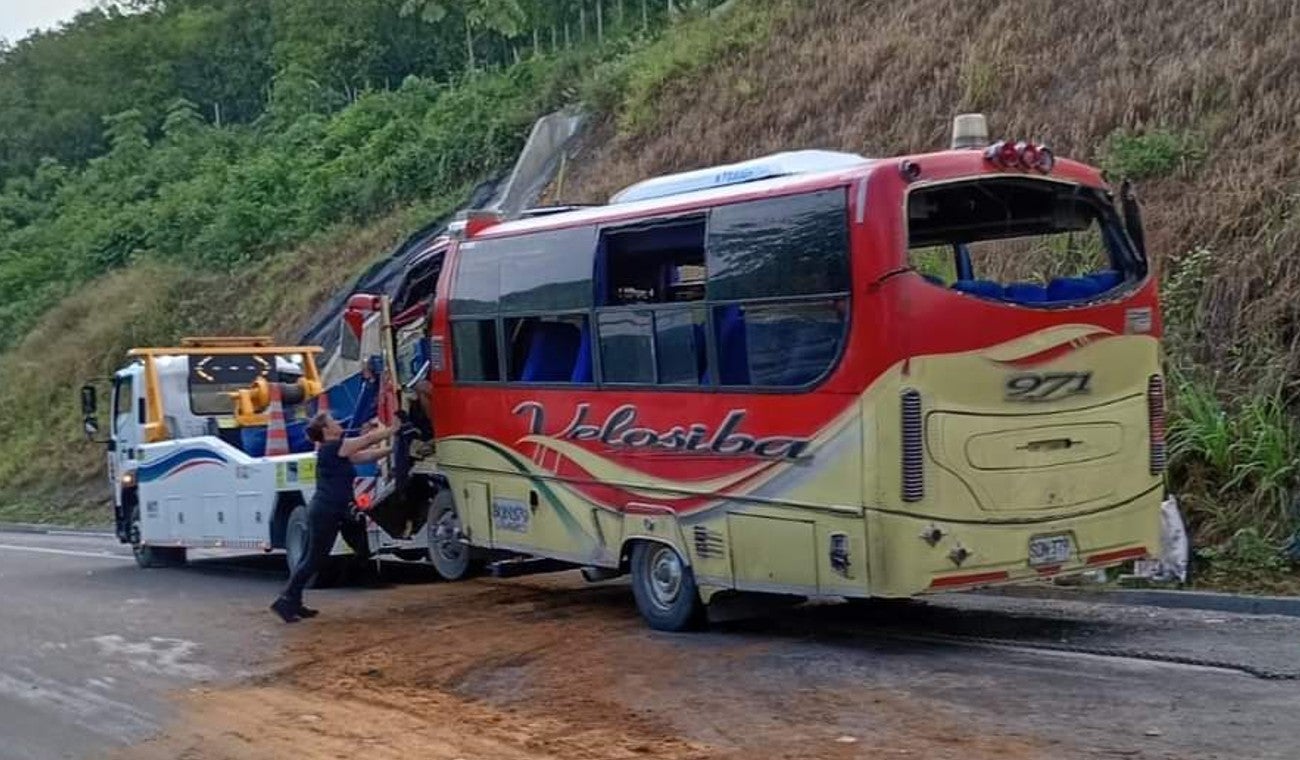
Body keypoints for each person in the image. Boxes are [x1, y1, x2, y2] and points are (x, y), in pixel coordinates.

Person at [270, 412, 394, 623]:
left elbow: (367, 455)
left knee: (312, 557)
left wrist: (393, 448)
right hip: (326, 511)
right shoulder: (333, 448)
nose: (338, 423)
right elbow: (366, 440)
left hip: (330, 509)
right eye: (334, 422)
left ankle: (293, 601)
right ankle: (285, 601)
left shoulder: (337, 451)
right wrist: (394, 429)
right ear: (327, 431)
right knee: (313, 559)